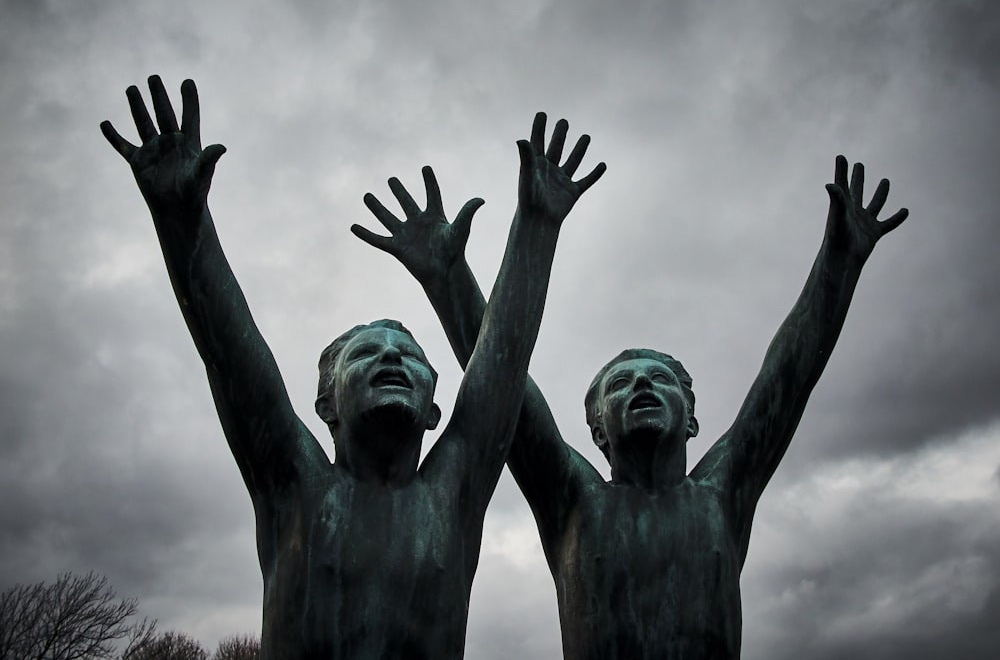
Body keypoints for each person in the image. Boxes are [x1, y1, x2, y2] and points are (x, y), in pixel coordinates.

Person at [101, 76, 605, 659]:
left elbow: (504, 359)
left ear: (435, 409)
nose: (392, 356)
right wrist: (182, 223)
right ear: (326, 405)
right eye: (366, 353)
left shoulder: (453, 492)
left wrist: (536, 228)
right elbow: (228, 353)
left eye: (412, 357)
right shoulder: (295, 483)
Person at [356, 152, 908, 659]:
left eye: (658, 379)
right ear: (598, 430)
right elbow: (503, 378)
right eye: (620, 385)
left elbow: (787, 380)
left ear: (690, 417)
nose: (641, 386)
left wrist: (840, 262)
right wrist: (449, 279)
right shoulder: (573, 500)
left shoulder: (721, 495)